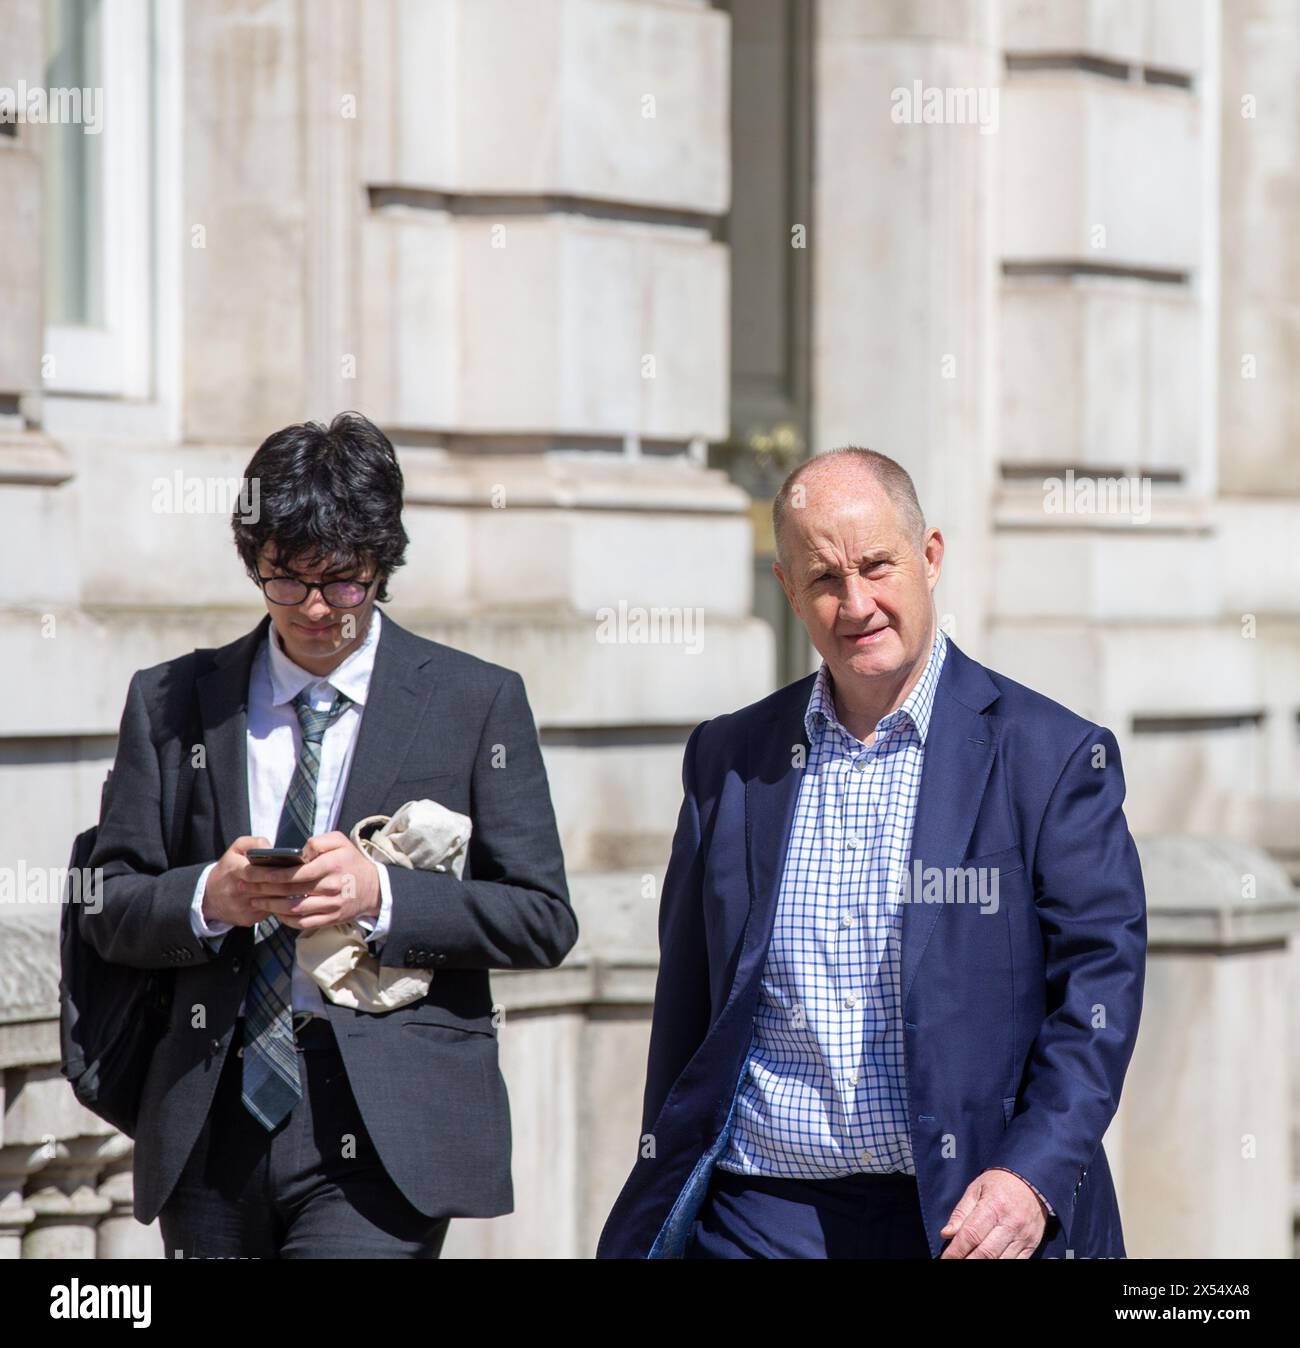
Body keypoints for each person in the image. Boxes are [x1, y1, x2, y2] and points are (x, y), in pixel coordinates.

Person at [598, 447, 1146, 1259]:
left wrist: (1032, 1174)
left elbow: (1100, 986)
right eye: (823, 579)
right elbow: (687, 1005)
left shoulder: (1051, 756)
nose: (856, 603)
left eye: (877, 566)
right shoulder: (729, 759)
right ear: (788, 590)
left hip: (963, 1217)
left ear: (929, 557)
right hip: (759, 1214)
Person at [82, 411, 575, 1258]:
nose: (317, 609)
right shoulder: (170, 700)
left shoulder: (474, 701)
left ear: (383, 563)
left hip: (387, 1128)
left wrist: (383, 895)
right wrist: (212, 897)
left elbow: (542, 918)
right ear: (254, 562)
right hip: (210, 1115)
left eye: (344, 581)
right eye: (287, 579)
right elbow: (109, 902)